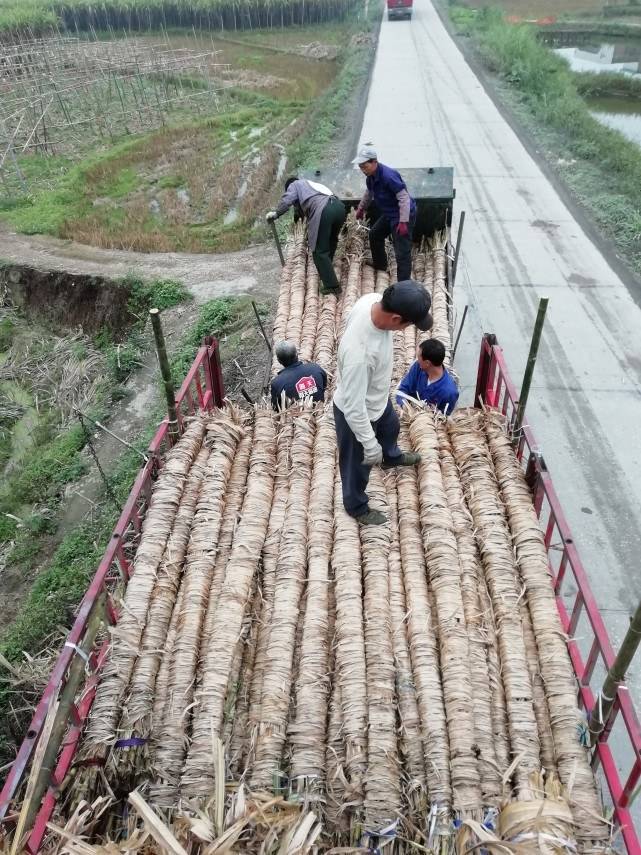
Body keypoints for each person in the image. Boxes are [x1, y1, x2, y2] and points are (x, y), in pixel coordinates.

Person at [333, 280, 433, 526]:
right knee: (357, 466)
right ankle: (356, 505)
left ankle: (391, 456)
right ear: (397, 319)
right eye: (410, 324)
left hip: (376, 398)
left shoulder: (371, 300)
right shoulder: (359, 354)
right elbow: (354, 410)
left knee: (390, 427)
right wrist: (369, 443)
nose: (409, 329)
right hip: (357, 413)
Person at [266, 177, 347, 295]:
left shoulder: (295, 185)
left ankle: (332, 286)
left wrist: (276, 213)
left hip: (325, 210)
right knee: (331, 241)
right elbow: (298, 211)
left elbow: (287, 200)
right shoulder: (312, 186)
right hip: (339, 208)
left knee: (319, 251)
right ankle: (327, 267)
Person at [353, 144, 416, 282]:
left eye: (365, 166)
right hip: (390, 214)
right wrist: (361, 208)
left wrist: (404, 221)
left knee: (401, 252)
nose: (362, 169)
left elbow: (404, 198)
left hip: (402, 215)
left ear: (374, 162)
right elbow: (369, 193)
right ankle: (380, 264)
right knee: (375, 234)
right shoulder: (370, 177)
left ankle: (403, 284)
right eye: (360, 166)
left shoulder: (388, 176)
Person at [396, 338, 459, 415]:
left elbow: (444, 419)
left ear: (427, 363)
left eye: (418, 357)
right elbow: (402, 389)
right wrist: (404, 406)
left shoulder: (449, 392)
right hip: (409, 415)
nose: (417, 360)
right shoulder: (418, 367)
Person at [270, 340, 327, 411]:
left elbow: (276, 407)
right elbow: (324, 386)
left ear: (279, 361)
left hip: (296, 418)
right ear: (297, 354)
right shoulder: (315, 368)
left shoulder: (277, 383)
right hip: (320, 413)